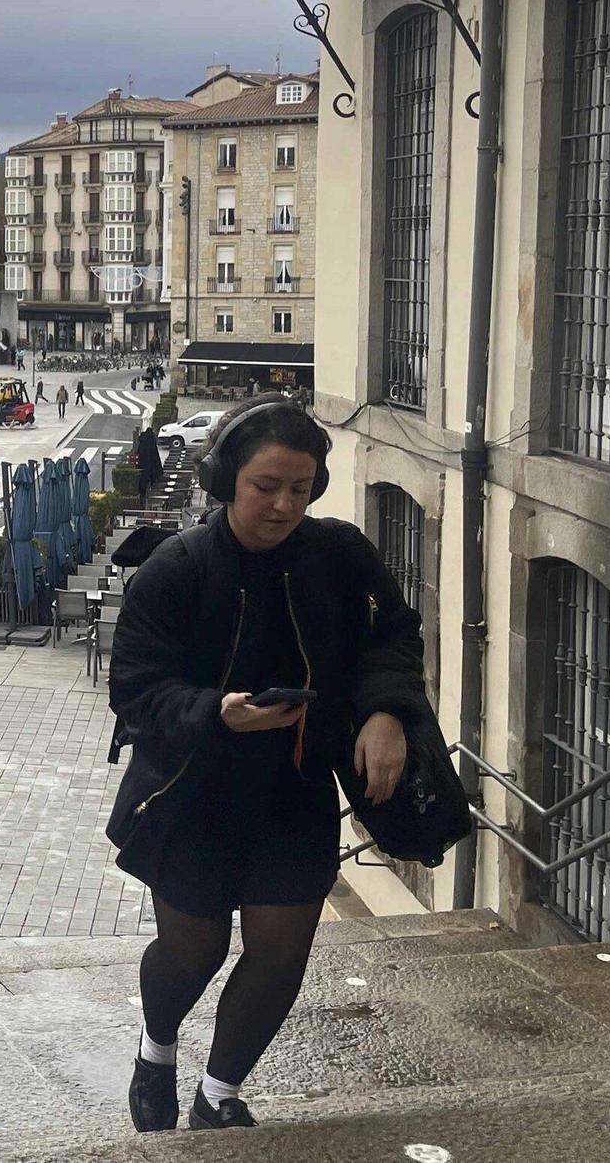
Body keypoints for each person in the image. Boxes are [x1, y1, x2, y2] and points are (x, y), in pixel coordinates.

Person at [107, 397, 426, 1133]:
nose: (285, 504)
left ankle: (219, 1093)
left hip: (294, 788)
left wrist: (387, 711)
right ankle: (156, 1052)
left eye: (301, 487)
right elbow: (136, 691)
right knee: (193, 953)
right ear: (227, 481)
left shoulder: (342, 555)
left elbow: (394, 638)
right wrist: (216, 713)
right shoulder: (174, 569)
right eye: (266, 486)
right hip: (192, 792)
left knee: (281, 954)